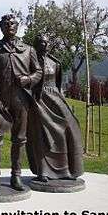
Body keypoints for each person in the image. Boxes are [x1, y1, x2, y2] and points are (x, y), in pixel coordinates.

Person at [0, 14, 42, 193]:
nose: (9, 25)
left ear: (18, 26)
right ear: (1, 27)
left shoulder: (28, 50)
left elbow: (38, 72)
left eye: (12, 23)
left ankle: (16, 175)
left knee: (19, 139)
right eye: (5, 24)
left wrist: (28, 79)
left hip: (21, 100)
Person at [26, 34, 84, 182]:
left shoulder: (55, 62)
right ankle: (43, 171)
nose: (43, 45)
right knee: (41, 136)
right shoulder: (29, 61)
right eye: (40, 42)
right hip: (37, 100)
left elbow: (58, 84)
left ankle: (65, 170)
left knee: (66, 129)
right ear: (35, 44)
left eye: (45, 42)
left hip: (55, 98)